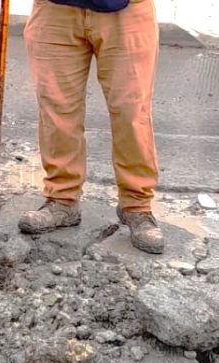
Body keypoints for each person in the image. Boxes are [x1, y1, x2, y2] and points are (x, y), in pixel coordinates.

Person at [18, 0, 163, 254]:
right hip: (55, 9)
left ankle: (137, 206)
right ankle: (61, 200)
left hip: (126, 11)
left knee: (131, 112)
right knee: (57, 110)